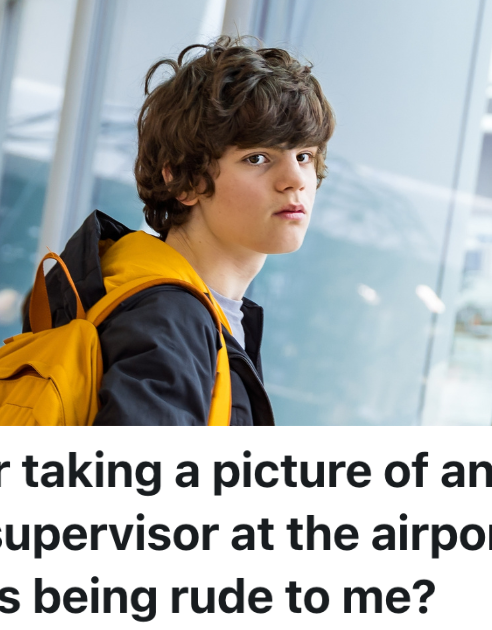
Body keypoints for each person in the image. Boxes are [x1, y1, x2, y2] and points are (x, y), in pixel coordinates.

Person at [36, 37, 333, 426]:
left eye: (304, 156)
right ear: (182, 180)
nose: (295, 179)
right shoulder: (170, 321)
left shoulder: (148, 293)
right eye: (257, 158)